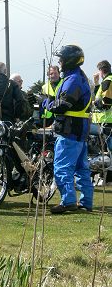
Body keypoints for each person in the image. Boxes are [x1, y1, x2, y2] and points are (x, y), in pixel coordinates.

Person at [43, 44, 94, 214]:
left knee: (62, 167)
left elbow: (63, 105)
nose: (60, 62)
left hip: (69, 130)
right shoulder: (79, 77)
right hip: (80, 130)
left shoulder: (72, 80)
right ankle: (86, 202)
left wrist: (46, 103)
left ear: (69, 61)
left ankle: (68, 201)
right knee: (81, 169)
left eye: (62, 59)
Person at [92, 60, 112, 184]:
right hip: (105, 121)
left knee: (109, 151)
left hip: (107, 121)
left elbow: (106, 103)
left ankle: (108, 178)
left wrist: (94, 103)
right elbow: (101, 95)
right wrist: (96, 84)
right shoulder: (106, 82)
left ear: (101, 71)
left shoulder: (108, 81)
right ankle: (105, 177)